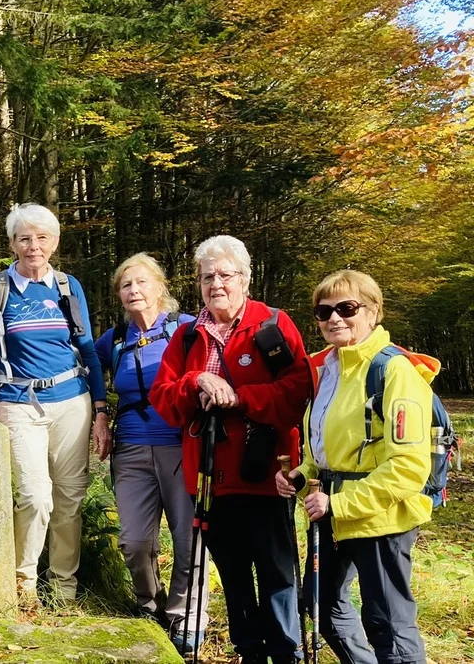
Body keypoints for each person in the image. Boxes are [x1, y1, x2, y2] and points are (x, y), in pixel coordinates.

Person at [150, 235, 312, 664]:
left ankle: (286, 653)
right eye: (207, 277)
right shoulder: (188, 336)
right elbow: (162, 398)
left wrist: (240, 398)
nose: (216, 284)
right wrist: (196, 381)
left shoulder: (272, 325)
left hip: (267, 472)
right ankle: (250, 652)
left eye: (225, 275)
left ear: (245, 279)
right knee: (234, 574)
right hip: (208, 477)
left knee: (276, 571)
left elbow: (297, 391)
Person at [275, 269, 432, 664]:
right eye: (323, 311)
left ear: (373, 311)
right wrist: (301, 474)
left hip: (381, 517)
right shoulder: (326, 369)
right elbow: (324, 450)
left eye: (346, 308)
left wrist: (338, 503)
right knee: (322, 607)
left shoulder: (393, 370)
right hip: (331, 515)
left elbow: (409, 467)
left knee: (388, 626)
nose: (334, 319)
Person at [0, 203, 110, 606]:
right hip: (18, 401)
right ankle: (24, 585)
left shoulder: (68, 286)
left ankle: (64, 588)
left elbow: (86, 348)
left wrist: (101, 408)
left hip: (72, 401)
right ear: (12, 243)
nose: (34, 246)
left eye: (42, 238)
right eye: (25, 238)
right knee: (34, 495)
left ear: (55, 242)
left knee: (70, 497)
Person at [93, 253, 205, 652]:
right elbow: (86, 370)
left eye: (142, 282)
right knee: (134, 541)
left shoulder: (187, 328)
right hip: (131, 449)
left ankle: (186, 614)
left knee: (188, 539)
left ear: (160, 287)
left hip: (181, 445)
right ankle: (150, 606)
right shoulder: (114, 340)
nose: (134, 290)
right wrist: (100, 413)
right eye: (126, 285)